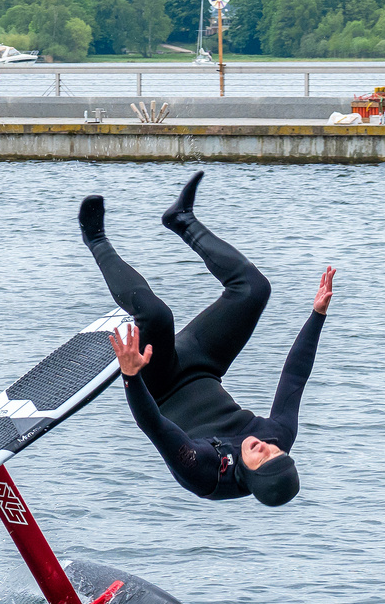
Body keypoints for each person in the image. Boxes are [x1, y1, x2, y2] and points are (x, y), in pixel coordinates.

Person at [79, 171, 335, 507]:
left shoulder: (204, 473)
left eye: (263, 457)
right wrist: (317, 315)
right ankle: (182, 220)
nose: (265, 446)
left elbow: (154, 425)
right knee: (254, 289)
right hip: (204, 367)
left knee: (156, 315)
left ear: (251, 476)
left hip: (158, 386)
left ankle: (95, 239)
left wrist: (130, 375)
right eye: (275, 451)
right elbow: (295, 377)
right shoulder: (278, 438)